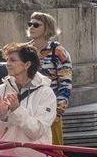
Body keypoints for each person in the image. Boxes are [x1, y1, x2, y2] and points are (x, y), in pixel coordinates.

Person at [25, 11, 73, 144]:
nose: (31, 27)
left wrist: (57, 112)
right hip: (27, 111)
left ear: (47, 28)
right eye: (30, 24)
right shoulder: (24, 51)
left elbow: (65, 84)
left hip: (49, 111)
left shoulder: (57, 51)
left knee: (53, 154)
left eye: (36, 25)